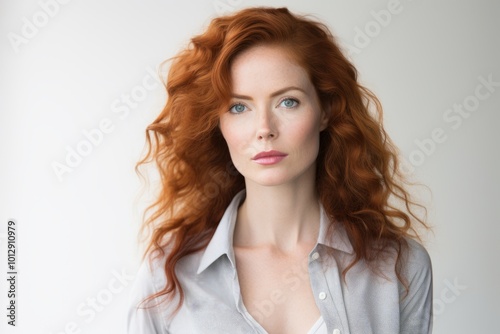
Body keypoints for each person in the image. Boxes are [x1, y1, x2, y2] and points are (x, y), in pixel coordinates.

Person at [127, 7, 433, 334]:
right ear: (219, 123)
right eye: (239, 107)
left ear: (326, 111)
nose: (264, 129)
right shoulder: (169, 271)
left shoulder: (399, 267)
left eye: (287, 102)